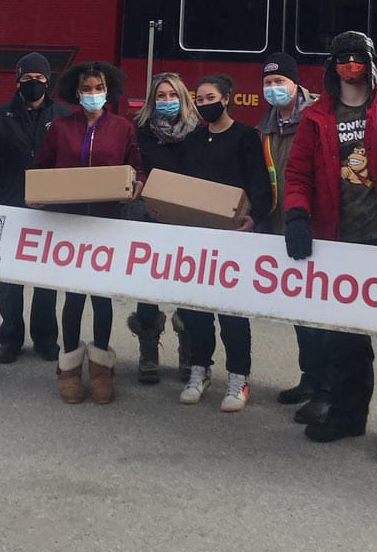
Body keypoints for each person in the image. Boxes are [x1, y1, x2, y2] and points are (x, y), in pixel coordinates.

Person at [283, 30, 377, 461]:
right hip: (338, 242)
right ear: (331, 66)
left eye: (357, 58)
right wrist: (297, 215)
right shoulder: (315, 117)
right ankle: (348, 415)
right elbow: (298, 175)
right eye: (341, 58)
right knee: (344, 339)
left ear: (372, 63)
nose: (349, 65)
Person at [33, 61, 145, 404]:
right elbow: (42, 168)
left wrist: (136, 183)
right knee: (74, 297)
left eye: (98, 88)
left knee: (101, 296)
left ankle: (100, 368)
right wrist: (41, 194)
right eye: (87, 89)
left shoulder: (123, 128)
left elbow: (136, 165)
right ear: (76, 93)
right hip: (69, 222)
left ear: (108, 91)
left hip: (106, 220)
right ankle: (68, 367)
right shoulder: (61, 127)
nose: (93, 94)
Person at [176, 74, 271, 412]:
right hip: (198, 236)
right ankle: (199, 372)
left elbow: (260, 183)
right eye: (199, 100)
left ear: (227, 98)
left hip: (234, 238)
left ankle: (238, 378)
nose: (205, 104)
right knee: (196, 309)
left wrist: (254, 216)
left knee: (232, 312)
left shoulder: (246, 137)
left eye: (210, 97)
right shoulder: (194, 139)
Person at [0, 52, 72, 364]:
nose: (33, 84)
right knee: (9, 279)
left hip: (50, 211)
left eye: (39, 79)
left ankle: (46, 339)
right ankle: (10, 338)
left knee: (45, 280)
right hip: (10, 208)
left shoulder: (64, 117)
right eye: (26, 79)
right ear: (17, 81)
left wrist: (59, 198)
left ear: (49, 82)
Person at [255, 53, 328, 424]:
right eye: (268, 83)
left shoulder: (315, 119)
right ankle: (309, 378)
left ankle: (326, 389)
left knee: (320, 312)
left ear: (295, 84)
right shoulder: (266, 125)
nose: (273, 89)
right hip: (279, 224)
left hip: (312, 225)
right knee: (298, 308)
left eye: (280, 82)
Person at [128, 72, 199, 384]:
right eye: (161, 96)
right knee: (148, 285)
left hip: (187, 218)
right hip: (150, 216)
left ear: (183, 98)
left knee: (187, 286)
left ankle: (189, 351)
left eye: (172, 96)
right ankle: (148, 351)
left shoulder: (198, 131)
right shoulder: (139, 129)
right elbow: (131, 166)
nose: (167, 101)